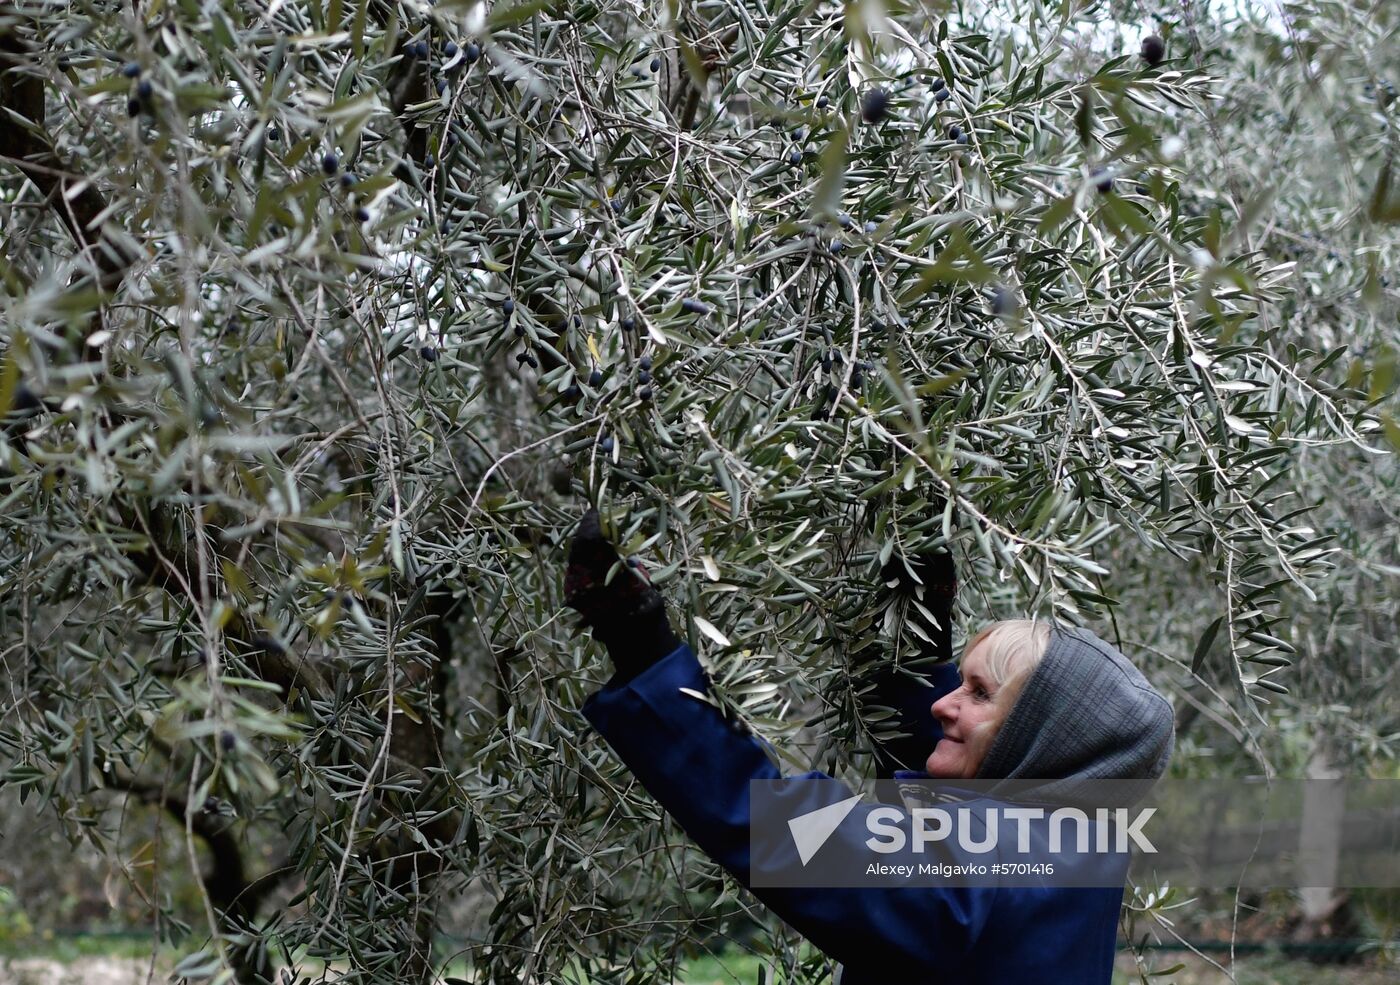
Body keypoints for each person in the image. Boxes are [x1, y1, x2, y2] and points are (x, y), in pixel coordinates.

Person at [562, 507, 1174, 984]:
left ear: (1040, 739)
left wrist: (644, 653)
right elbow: (939, 793)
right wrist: (917, 639)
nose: (944, 706)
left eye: (979, 693)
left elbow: (794, 836)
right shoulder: (1071, 844)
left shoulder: (1002, 868)